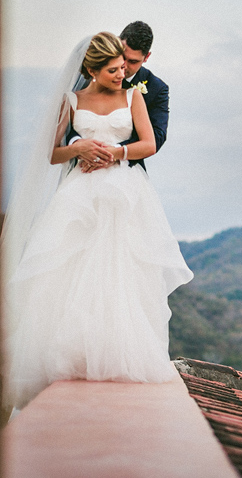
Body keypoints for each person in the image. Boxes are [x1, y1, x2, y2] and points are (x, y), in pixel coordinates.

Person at [1, 32, 193, 413]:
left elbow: (150, 144)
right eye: (112, 70)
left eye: (123, 67)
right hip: (79, 196)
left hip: (124, 194)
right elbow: (51, 154)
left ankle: (117, 354)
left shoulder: (133, 96)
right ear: (91, 69)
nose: (121, 74)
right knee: (71, 271)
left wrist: (117, 152)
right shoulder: (71, 100)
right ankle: (70, 355)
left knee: (120, 272)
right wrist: (78, 147)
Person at [70, 21, 168, 172]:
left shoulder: (157, 89)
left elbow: (157, 137)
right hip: (82, 168)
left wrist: (114, 153)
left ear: (146, 57)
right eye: (123, 56)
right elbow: (71, 118)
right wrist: (77, 144)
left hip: (126, 170)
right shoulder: (92, 73)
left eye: (133, 61)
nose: (125, 66)